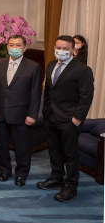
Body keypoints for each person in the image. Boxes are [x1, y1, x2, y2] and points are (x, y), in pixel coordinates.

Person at [37, 35, 94, 203]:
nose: (61, 51)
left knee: (70, 154)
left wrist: (77, 119)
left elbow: (86, 97)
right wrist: (45, 111)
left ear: (73, 50)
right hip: (51, 117)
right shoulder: (51, 64)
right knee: (54, 151)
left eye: (65, 49)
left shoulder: (83, 70)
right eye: (58, 48)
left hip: (70, 119)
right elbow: (48, 90)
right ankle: (57, 178)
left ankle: (71, 186)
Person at [0, 35, 42, 187]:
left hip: (22, 115)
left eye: (18, 45)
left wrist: (32, 114)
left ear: (24, 48)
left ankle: (21, 174)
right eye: (11, 45)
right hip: (1, 112)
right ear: (7, 47)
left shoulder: (33, 66)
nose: (14, 48)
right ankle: (4, 171)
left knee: (22, 147)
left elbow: (36, 93)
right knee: (1, 145)